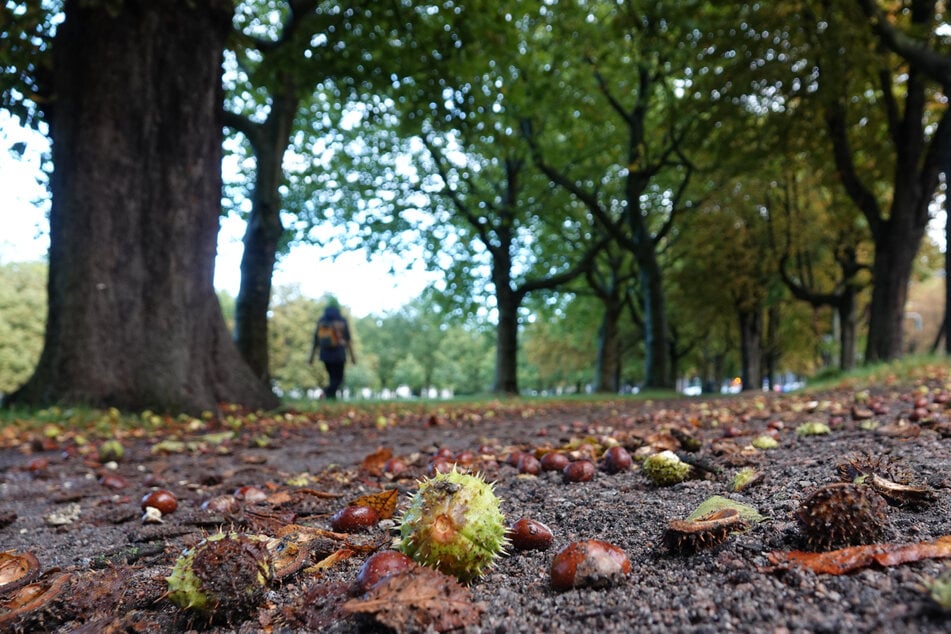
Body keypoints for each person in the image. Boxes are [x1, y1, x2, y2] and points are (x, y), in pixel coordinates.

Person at [308, 302, 356, 400]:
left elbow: (315, 340)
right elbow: (348, 339)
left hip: (325, 354)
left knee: (332, 378)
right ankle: (326, 393)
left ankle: (330, 397)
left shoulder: (322, 321)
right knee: (338, 379)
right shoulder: (341, 321)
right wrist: (353, 356)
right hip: (339, 353)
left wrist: (311, 357)